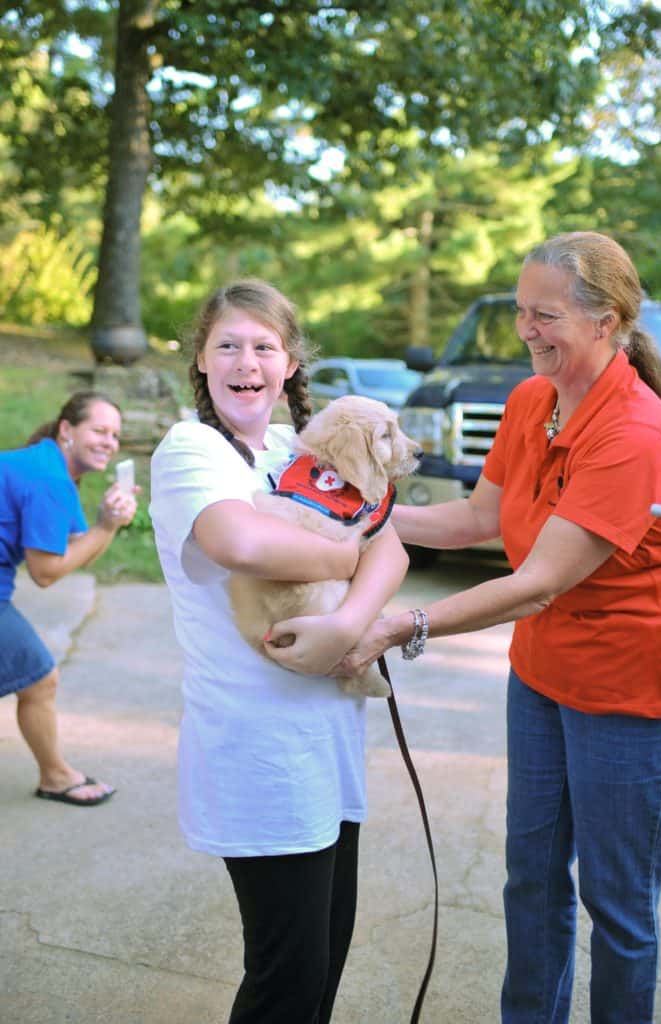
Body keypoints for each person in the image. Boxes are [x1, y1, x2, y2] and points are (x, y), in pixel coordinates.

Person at [268, 232, 661, 1023]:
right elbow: (476, 517)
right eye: (521, 311)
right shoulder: (532, 399)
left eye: (545, 315)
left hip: (626, 690)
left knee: (616, 901)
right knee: (529, 877)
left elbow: (535, 584)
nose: (526, 329)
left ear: (608, 320)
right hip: (541, 676)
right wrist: (352, 514)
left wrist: (398, 624)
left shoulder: (635, 434)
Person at [149, 278, 407, 1024]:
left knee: (323, 961)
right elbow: (242, 541)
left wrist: (348, 622)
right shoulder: (191, 448)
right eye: (227, 344)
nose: (246, 361)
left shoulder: (302, 449)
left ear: (290, 362)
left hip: (327, 743)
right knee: (284, 979)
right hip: (256, 750)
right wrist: (348, 555)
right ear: (201, 360)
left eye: (264, 346)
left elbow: (390, 543)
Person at [1, 391, 138, 806]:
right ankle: (56, 776)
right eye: (99, 430)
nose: (109, 442)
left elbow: (77, 544)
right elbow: (46, 573)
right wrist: (107, 528)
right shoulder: (50, 480)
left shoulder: (50, 468)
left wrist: (107, 524)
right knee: (41, 678)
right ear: (67, 430)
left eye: (114, 435)